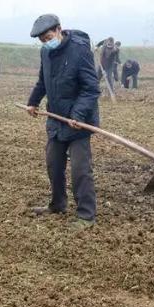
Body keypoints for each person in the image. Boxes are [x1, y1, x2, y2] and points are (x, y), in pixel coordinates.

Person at [25, 14, 101, 229]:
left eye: (48, 37)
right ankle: (58, 204)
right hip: (56, 119)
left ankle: (86, 216)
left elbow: (91, 88)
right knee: (53, 164)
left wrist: (77, 114)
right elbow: (43, 81)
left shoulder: (79, 50)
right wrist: (33, 102)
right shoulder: (45, 52)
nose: (46, 43)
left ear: (59, 29)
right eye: (42, 40)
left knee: (80, 169)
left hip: (79, 122)